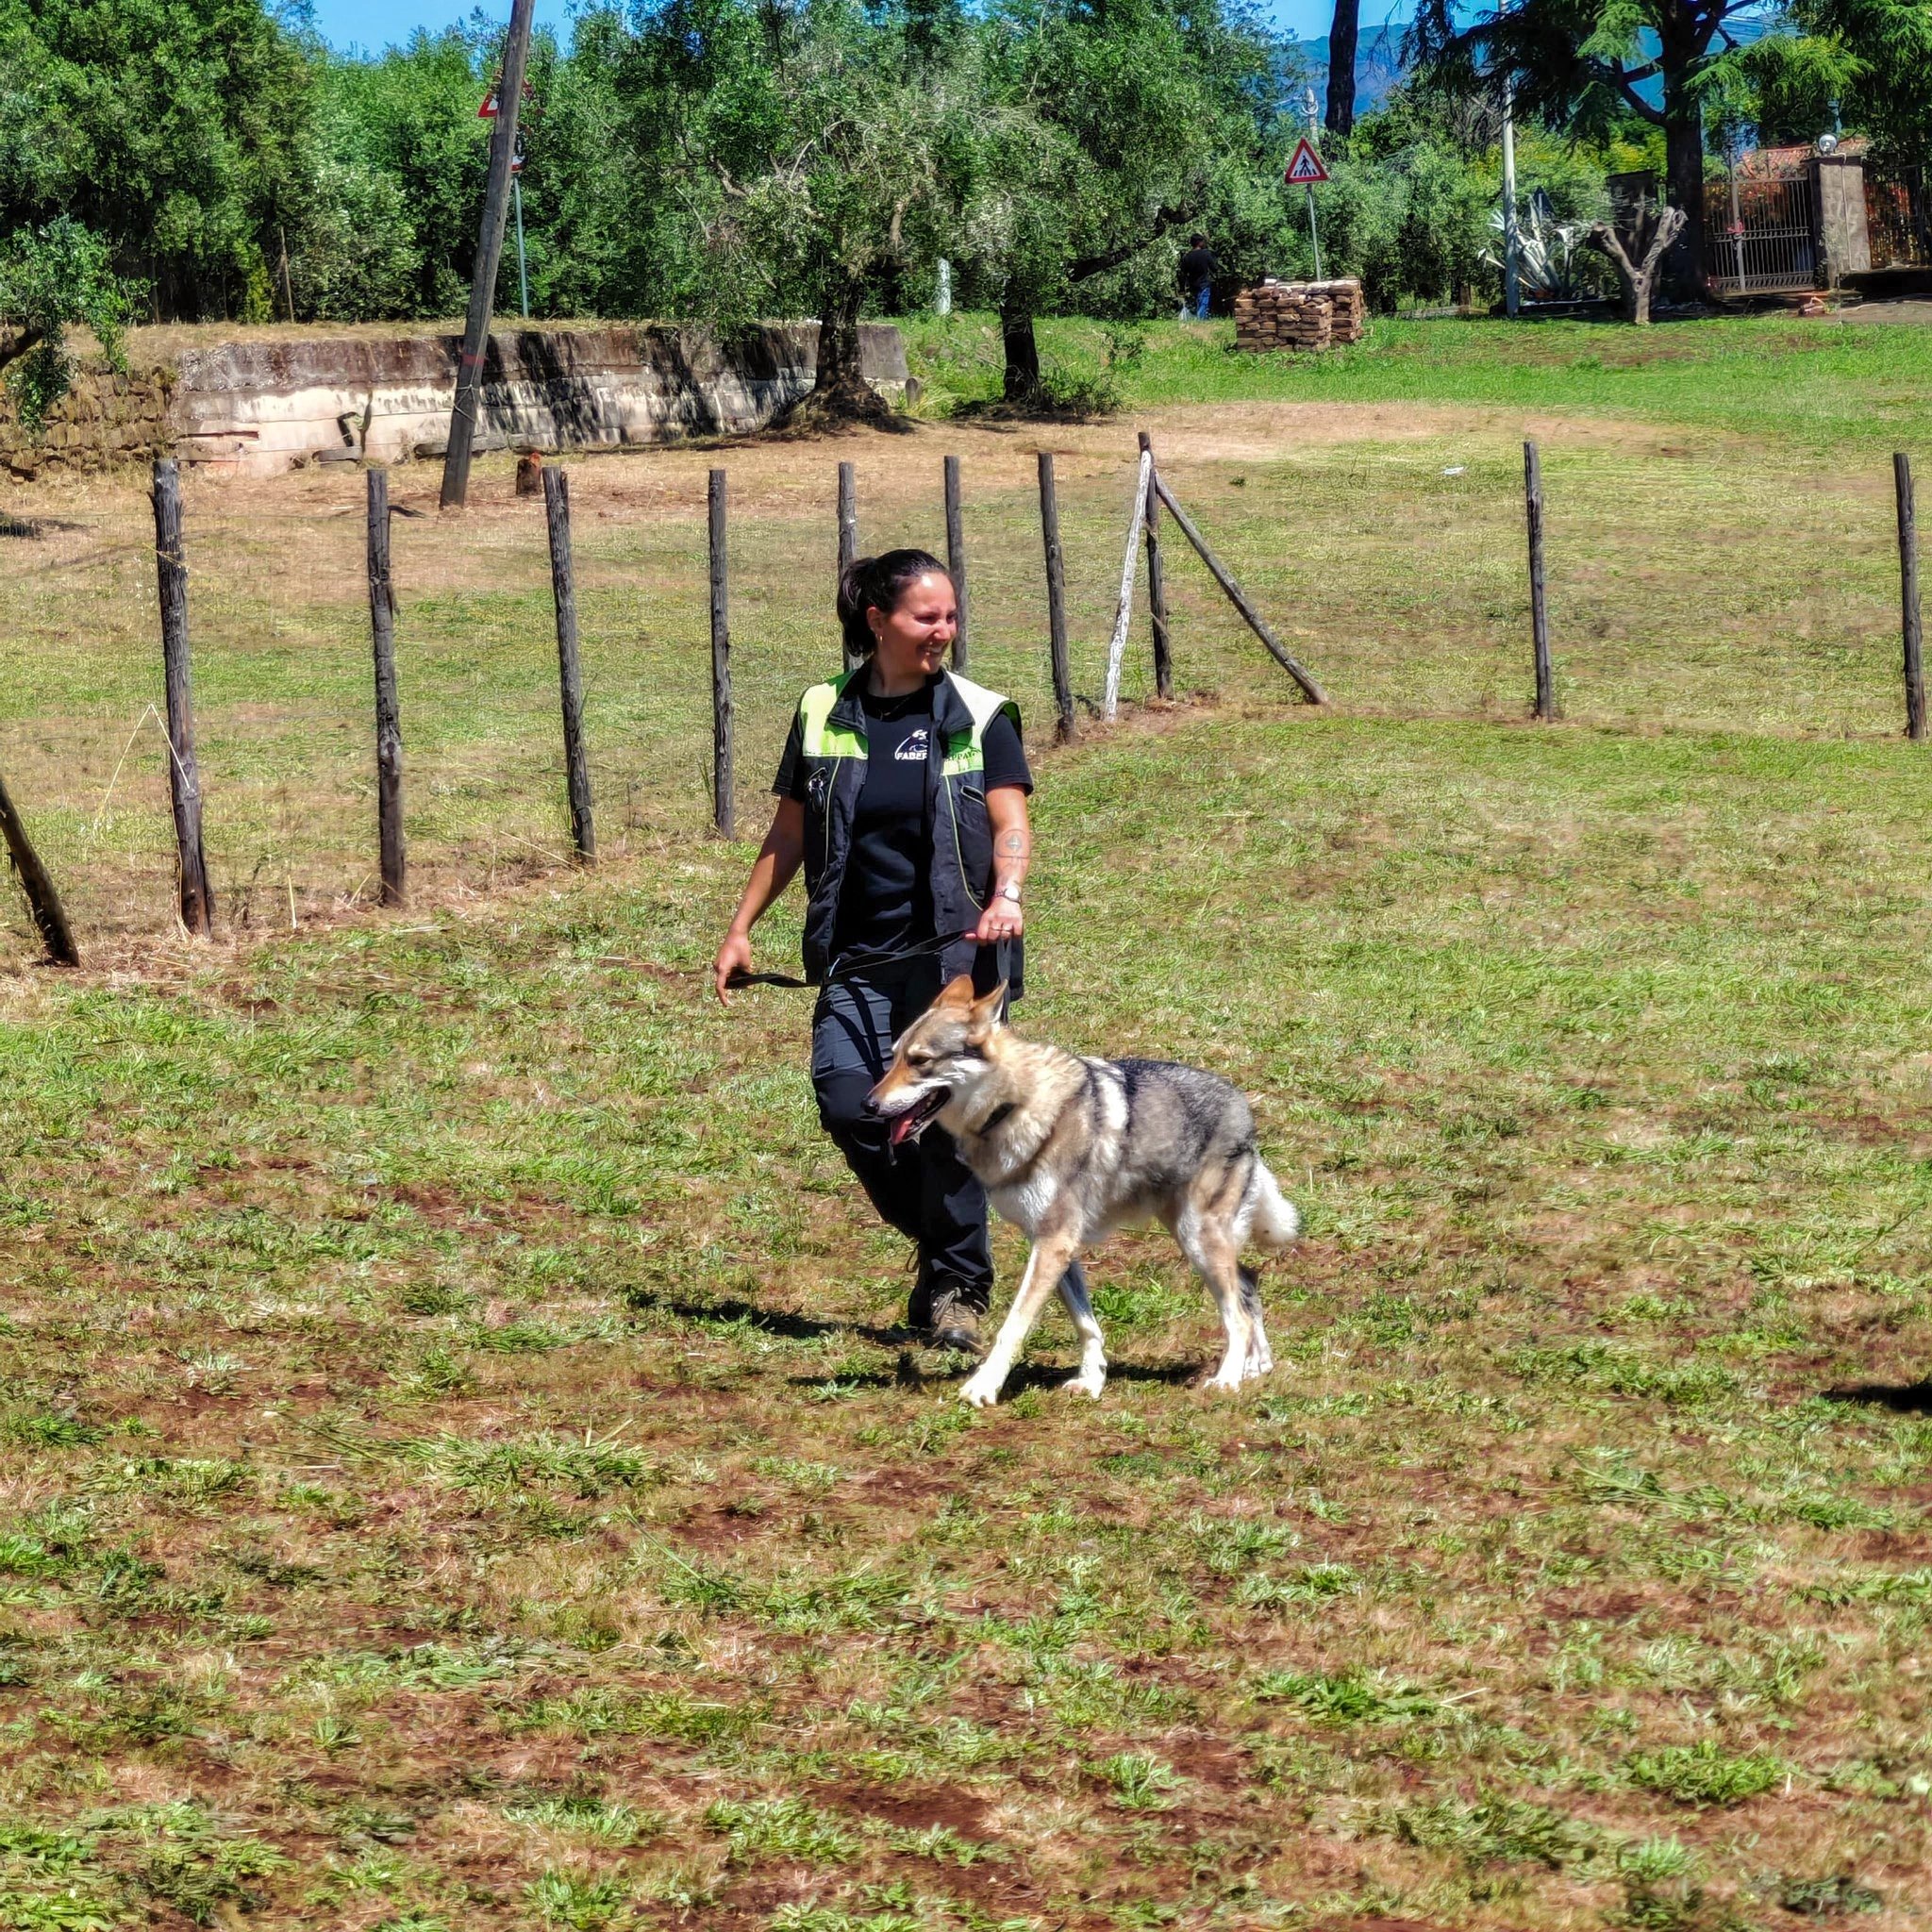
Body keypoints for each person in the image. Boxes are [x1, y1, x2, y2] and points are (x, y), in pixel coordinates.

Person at [712, 550, 1033, 1353]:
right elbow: (789, 831)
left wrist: (1008, 894)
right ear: (878, 622)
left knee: (952, 1125)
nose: (944, 632)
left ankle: (960, 1292)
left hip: (954, 957)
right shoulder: (824, 709)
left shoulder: (978, 713)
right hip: (856, 956)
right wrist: (742, 925)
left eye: (950, 616)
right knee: (848, 1103)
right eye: (927, 618)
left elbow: (1010, 823)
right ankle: (939, 1246)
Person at [1178, 233, 1218, 321]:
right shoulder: (1206, 254)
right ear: (1199, 242)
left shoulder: (1187, 257)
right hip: (1204, 283)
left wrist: (1182, 288)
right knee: (1203, 303)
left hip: (1193, 285)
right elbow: (1214, 268)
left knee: (1199, 303)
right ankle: (1200, 321)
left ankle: (1199, 319)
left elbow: (1182, 274)